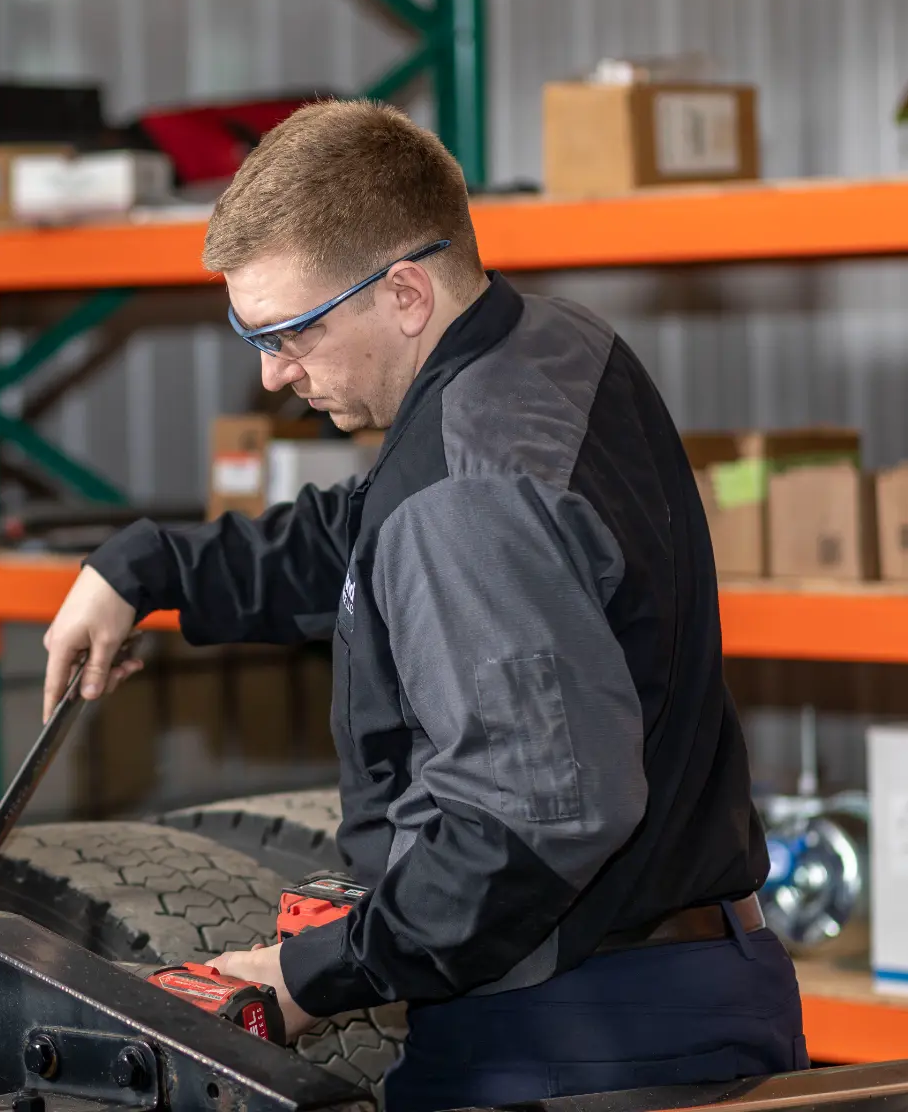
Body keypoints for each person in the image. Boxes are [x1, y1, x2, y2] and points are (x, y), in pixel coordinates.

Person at [40, 100, 804, 1112]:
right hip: (680, 984)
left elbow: (532, 823)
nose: (274, 373)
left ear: (403, 291)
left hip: (576, 1042)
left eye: (292, 332)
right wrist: (148, 567)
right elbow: (363, 538)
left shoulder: (467, 493)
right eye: (254, 335)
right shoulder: (546, 351)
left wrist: (311, 978)